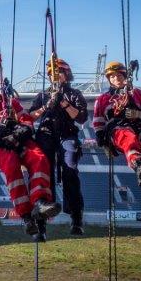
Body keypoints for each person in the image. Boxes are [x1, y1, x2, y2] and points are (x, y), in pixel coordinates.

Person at [0, 65, 60, 241]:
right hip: (0, 146)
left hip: (20, 139)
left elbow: (26, 120)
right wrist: (2, 139)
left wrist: (19, 133)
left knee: (39, 158)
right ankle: (26, 216)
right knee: (11, 166)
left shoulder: (10, 103)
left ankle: (40, 202)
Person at [29, 58, 88, 235]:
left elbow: (81, 118)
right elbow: (30, 116)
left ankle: (76, 216)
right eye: (52, 74)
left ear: (66, 74)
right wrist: (46, 106)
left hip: (66, 134)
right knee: (44, 172)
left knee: (70, 169)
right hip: (46, 134)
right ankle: (41, 219)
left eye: (59, 73)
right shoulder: (42, 95)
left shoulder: (74, 94)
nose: (55, 76)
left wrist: (64, 103)